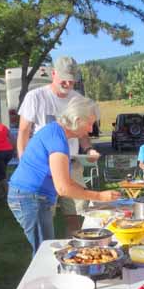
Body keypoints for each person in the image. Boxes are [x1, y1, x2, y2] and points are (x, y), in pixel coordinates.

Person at [8, 96, 120, 255]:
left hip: (31, 196)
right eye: (89, 123)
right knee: (43, 252)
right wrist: (99, 196)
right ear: (77, 120)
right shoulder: (57, 138)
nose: (90, 129)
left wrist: (93, 196)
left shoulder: (56, 132)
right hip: (30, 197)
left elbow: (65, 181)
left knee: (44, 249)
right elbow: (63, 188)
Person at [17, 56, 100, 236]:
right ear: (53, 74)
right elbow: (23, 131)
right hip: (45, 167)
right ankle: (47, 244)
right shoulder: (35, 97)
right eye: (64, 80)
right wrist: (24, 161)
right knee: (45, 214)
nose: (68, 84)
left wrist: (89, 149)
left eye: (72, 81)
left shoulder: (78, 98)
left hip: (72, 164)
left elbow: (83, 133)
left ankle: (76, 245)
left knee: (76, 214)